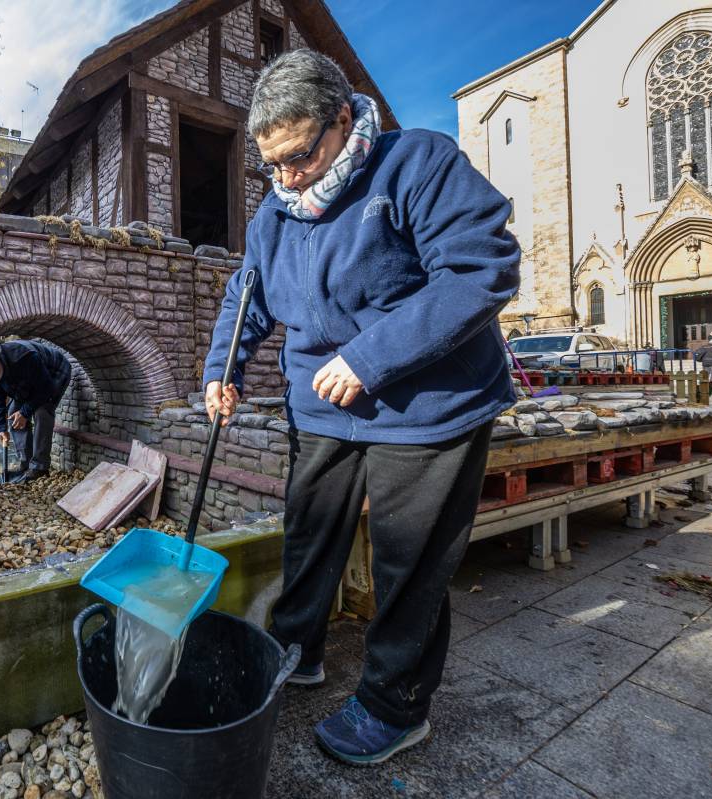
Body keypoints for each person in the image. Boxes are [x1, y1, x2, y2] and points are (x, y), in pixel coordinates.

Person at [202, 50, 519, 766]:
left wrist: (372, 358)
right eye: (270, 165)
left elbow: (481, 270)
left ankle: (394, 705)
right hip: (322, 401)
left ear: (343, 120)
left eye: (298, 157)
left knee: (408, 560)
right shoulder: (274, 214)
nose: (284, 179)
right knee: (309, 532)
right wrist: (222, 368)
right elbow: (244, 296)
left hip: (428, 401)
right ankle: (297, 648)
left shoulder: (417, 165)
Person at [0, 340, 71, 483]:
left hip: (54, 372)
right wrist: (0, 429)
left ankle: (39, 468)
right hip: (27, 381)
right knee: (13, 413)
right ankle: (26, 464)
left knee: (42, 410)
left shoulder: (23, 357)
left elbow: (46, 389)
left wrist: (25, 413)